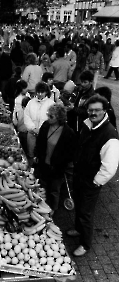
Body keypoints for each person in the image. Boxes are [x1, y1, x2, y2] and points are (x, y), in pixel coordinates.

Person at [67, 94, 119, 256]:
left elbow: (110, 166)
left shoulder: (109, 135)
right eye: (90, 110)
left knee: (86, 212)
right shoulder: (88, 125)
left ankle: (85, 243)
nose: (93, 113)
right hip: (79, 175)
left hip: (91, 181)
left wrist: (96, 182)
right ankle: (78, 229)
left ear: (105, 111)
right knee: (78, 204)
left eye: (97, 110)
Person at [35, 104, 76, 215]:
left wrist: (61, 165)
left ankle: (53, 208)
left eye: (51, 116)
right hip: (43, 163)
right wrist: (37, 155)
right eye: (48, 115)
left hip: (57, 167)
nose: (48, 118)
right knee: (42, 185)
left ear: (59, 118)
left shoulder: (68, 133)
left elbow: (69, 153)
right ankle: (40, 204)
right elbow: (39, 142)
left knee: (54, 189)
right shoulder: (45, 125)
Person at [24, 82, 55, 167]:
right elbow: (26, 116)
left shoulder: (51, 104)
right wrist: (33, 128)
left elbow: (52, 120)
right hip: (31, 133)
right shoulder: (31, 103)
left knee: (41, 155)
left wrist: (42, 131)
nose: (40, 94)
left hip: (44, 136)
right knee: (30, 154)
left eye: (42, 92)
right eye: (38, 92)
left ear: (46, 92)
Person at [67, 70, 95, 134]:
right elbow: (73, 98)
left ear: (91, 82)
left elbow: (87, 112)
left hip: (80, 125)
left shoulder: (92, 96)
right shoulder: (78, 89)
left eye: (85, 82)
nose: (82, 84)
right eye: (81, 82)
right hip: (71, 120)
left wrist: (73, 108)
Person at [12, 80, 30, 154]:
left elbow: (15, 121)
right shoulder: (18, 101)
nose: (27, 89)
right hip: (24, 128)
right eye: (25, 87)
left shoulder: (25, 96)